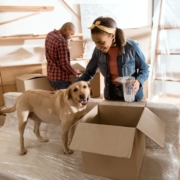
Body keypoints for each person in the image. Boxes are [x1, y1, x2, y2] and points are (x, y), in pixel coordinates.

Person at [73, 17, 149, 101]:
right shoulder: (97, 51)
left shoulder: (132, 47)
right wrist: (68, 88)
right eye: (95, 43)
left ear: (112, 36)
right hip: (111, 94)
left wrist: (138, 81)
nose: (98, 46)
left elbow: (144, 69)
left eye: (101, 42)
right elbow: (88, 74)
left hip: (131, 95)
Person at [45, 22, 80, 90]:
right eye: (71, 34)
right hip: (61, 79)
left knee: (59, 99)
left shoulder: (50, 34)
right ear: (67, 29)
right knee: (67, 100)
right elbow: (64, 64)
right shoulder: (61, 41)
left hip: (51, 77)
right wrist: (74, 72)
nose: (71, 37)